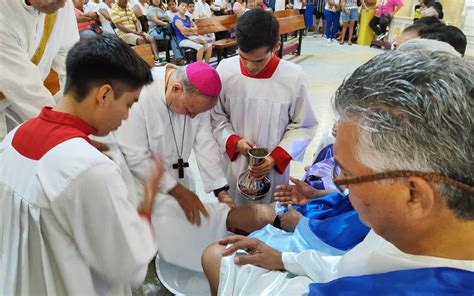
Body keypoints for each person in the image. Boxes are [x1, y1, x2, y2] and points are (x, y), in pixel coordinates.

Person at [202, 50, 474, 295]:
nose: (338, 182)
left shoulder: (427, 285)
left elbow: (304, 125)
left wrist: (277, 157)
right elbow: (351, 266)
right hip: (242, 165)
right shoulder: (423, 227)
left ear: (414, 195)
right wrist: (284, 259)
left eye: (346, 172)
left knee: (215, 257)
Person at [0, 34, 162, 295]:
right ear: (105, 94)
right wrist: (148, 199)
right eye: (129, 104)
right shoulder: (89, 168)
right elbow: (127, 265)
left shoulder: (13, 137)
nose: (126, 116)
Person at [114, 61, 235, 272]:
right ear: (176, 88)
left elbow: (204, 140)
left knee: (182, 236)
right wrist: (177, 191)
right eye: (189, 110)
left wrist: (221, 190)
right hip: (142, 184)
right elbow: (135, 155)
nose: (192, 117)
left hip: (179, 176)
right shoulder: (139, 94)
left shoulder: (196, 98)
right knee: (148, 242)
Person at [211, 9, 318, 206]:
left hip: (273, 171)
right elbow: (216, 116)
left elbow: (304, 126)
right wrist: (234, 141)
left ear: (276, 45)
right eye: (244, 57)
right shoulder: (226, 70)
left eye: (258, 60)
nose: (250, 66)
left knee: (268, 222)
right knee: (233, 217)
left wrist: (276, 157)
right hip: (235, 166)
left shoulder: (293, 77)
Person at [0, 0, 79, 140]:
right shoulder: (4, 12)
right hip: (20, 92)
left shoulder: (61, 8)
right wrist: (66, 133)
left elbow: (69, 56)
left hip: (23, 99)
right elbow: (25, 88)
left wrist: (77, 103)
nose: (61, 5)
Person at [147, 0, 185, 65]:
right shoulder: (151, 9)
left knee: (175, 33)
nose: (157, 1)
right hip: (154, 30)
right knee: (171, 35)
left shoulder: (162, 9)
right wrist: (167, 24)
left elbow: (168, 19)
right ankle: (179, 58)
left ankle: (182, 56)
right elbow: (155, 21)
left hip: (163, 29)